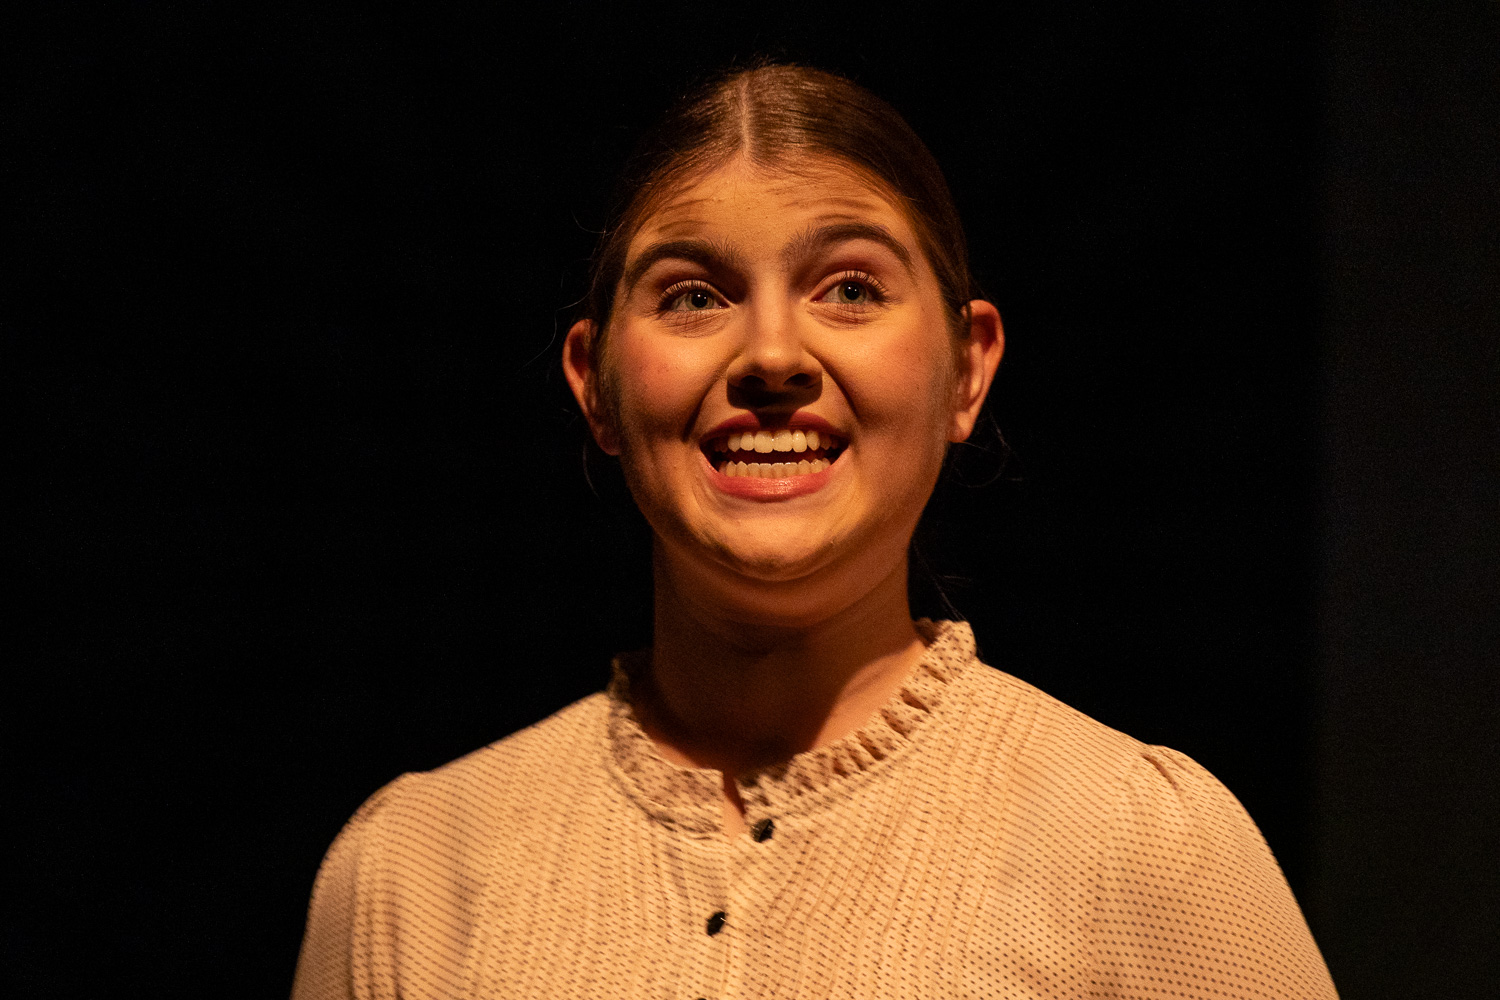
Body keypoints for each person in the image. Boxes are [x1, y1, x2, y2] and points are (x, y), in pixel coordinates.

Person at [290, 63, 1338, 999]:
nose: (773, 356)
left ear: (967, 368)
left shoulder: (1137, 844)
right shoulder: (414, 874)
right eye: (692, 297)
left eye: (850, 289)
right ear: (594, 383)